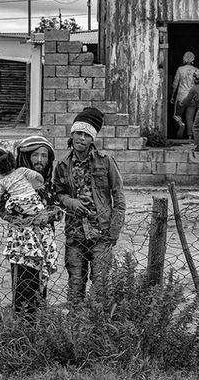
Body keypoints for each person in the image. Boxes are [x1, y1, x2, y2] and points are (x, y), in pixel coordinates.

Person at [52, 106, 126, 304]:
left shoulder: (105, 161)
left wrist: (113, 232)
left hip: (101, 233)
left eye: (87, 135)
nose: (82, 138)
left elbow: (119, 198)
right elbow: (57, 194)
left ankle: (96, 321)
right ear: (72, 134)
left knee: (100, 285)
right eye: (78, 133)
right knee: (75, 284)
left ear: (92, 139)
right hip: (75, 234)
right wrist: (70, 202)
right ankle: (75, 320)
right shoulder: (62, 165)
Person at [0, 140, 61, 317]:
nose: (39, 160)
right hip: (22, 248)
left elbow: (58, 210)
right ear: (26, 157)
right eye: (35, 155)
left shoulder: (48, 185)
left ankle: (39, 326)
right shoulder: (14, 182)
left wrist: (48, 215)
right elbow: (3, 211)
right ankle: (23, 327)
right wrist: (24, 220)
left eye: (44, 156)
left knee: (40, 290)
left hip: (44, 246)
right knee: (24, 290)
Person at [171, 51, 199, 138]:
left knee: (177, 116)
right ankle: (190, 138)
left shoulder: (180, 69)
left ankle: (180, 127)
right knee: (190, 119)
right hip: (192, 97)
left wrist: (172, 96)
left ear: (184, 58)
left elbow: (175, 84)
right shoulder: (197, 70)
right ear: (193, 59)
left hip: (181, 97)